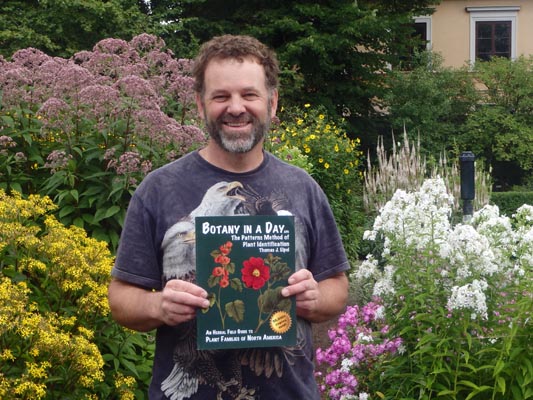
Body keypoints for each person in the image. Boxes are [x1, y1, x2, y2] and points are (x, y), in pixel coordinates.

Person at [108, 34, 349, 400]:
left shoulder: (303, 188)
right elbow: (121, 298)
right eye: (221, 96)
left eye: (249, 95)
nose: (236, 107)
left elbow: (337, 287)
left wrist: (316, 297)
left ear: (272, 102)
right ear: (201, 106)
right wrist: (158, 305)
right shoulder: (159, 189)